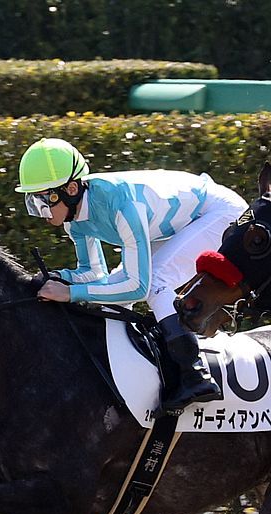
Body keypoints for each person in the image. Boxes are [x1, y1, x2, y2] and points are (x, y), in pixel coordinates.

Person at [17, 137, 247, 414]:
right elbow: (94, 273)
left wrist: (70, 293)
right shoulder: (74, 221)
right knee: (115, 287)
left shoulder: (120, 204)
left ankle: (195, 374)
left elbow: (138, 286)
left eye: (44, 200)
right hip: (181, 222)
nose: (40, 212)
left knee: (155, 281)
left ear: (72, 189)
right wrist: (60, 277)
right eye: (33, 201)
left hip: (219, 213)